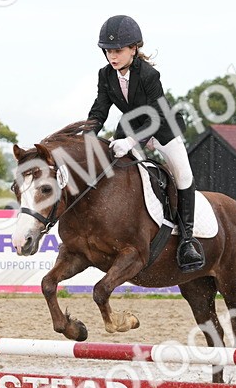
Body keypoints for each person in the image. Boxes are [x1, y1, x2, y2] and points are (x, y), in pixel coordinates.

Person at [85, 14, 204, 272]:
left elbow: (157, 115)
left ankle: (187, 241)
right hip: (130, 129)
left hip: (161, 130)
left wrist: (130, 141)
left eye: (118, 51)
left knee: (183, 175)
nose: (112, 56)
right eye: (108, 51)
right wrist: (87, 135)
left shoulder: (150, 74)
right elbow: (99, 110)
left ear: (134, 49)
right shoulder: (105, 75)